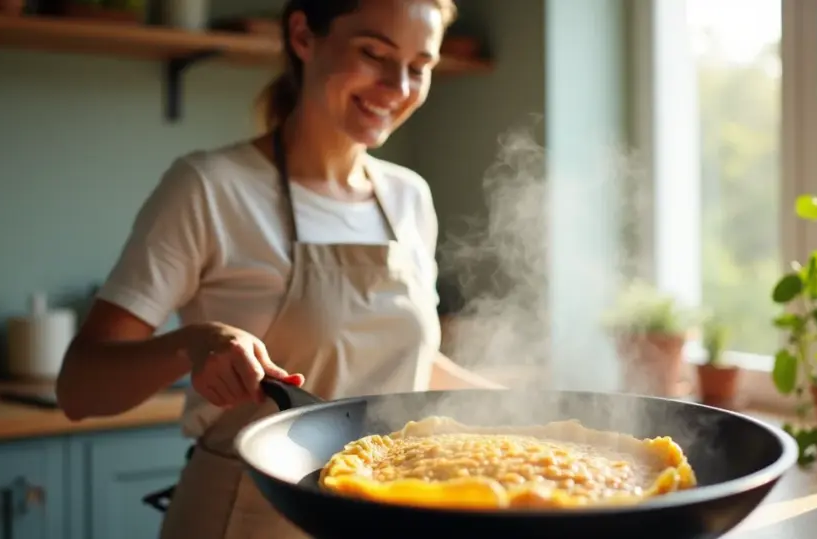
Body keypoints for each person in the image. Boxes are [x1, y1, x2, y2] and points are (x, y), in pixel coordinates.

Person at [55, 0, 503, 537]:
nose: (397, 86)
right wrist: (193, 343)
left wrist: (518, 409)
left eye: (419, 66)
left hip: (382, 510)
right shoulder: (210, 188)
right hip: (248, 516)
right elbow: (78, 388)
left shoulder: (408, 196)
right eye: (373, 53)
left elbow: (406, 362)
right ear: (303, 36)